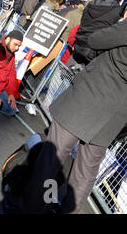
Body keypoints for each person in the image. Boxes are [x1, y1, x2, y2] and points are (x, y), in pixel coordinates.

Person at [21, 16, 127, 214]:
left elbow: (96, 39)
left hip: (87, 100)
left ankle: (34, 206)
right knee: (85, 173)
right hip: (114, 117)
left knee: (53, 156)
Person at [73, 0, 126, 65]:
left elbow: (83, 22)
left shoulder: (91, 3)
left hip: (78, 45)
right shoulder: (116, 11)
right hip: (93, 52)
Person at [0, 30, 23, 117]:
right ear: (7, 39)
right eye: (15, 44)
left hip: (1, 88)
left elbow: (12, 74)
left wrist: (11, 93)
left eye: (19, 46)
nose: (17, 48)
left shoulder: (12, 53)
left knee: (11, 110)